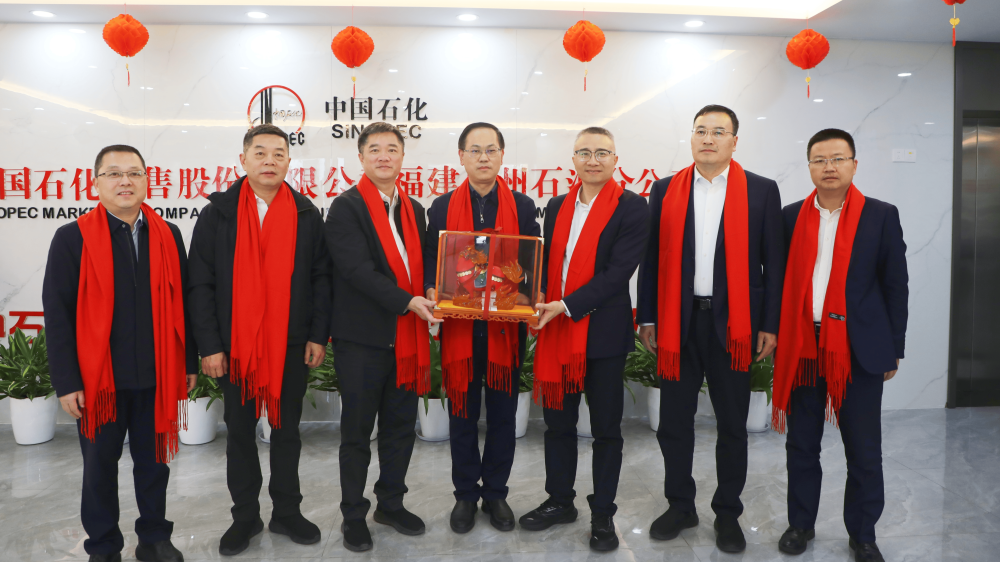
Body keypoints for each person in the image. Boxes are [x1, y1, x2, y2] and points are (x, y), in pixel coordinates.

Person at [636, 104, 784, 553]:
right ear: (691, 137)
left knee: (732, 426)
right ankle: (680, 505)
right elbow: (651, 257)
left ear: (734, 141)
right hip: (678, 324)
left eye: (719, 131)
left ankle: (727, 513)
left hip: (735, 327)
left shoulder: (760, 190)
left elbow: (774, 264)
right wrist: (647, 316)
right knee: (673, 423)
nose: (708, 138)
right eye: (701, 130)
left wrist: (769, 324)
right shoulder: (666, 189)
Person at [43, 144, 196, 562]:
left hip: (156, 374)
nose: (125, 181)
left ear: (147, 180)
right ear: (95, 183)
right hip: (98, 380)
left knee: (155, 464)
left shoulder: (167, 234)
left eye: (134, 173)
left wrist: (187, 363)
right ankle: (104, 545)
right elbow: (57, 314)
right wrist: (67, 381)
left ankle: (154, 538)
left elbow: (183, 304)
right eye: (113, 173)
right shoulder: (72, 238)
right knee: (98, 468)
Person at [187, 124, 332, 556]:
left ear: (289, 161)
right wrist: (210, 345)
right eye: (261, 152)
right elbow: (200, 284)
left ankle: (287, 512)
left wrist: (317, 334)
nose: (270, 161)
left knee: (287, 432)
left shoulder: (306, 213)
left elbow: (321, 279)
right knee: (240, 434)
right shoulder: (218, 214)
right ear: (243, 159)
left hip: (290, 345)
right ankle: (245, 517)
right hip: (236, 348)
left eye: (279, 153)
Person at [773, 129, 906, 562]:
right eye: (819, 160)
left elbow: (895, 285)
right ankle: (800, 524)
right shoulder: (790, 217)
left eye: (837, 158)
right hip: (803, 345)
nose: (828, 167)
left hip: (858, 348)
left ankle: (863, 534)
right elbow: (776, 282)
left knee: (864, 450)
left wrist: (894, 346)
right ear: (809, 166)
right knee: (801, 445)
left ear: (853, 164)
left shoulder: (880, 215)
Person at [519, 127, 649, 552]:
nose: (593, 160)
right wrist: (534, 296)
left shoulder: (633, 207)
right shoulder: (558, 205)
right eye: (584, 153)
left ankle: (603, 513)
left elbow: (618, 273)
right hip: (558, 333)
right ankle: (560, 501)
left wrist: (566, 304)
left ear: (615, 160)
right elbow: (547, 264)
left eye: (602, 153)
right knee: (558, 425)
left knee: (606, 430)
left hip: (604, 335)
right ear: (572, 159)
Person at [325, 120, 439, 552]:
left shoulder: (414, 209)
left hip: (406, 339)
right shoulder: (345, 208)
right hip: (362, 341)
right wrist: (408, 300)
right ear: (361, 157)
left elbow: (421, 263)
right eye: (374, 149)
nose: (384, 156)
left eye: (392, 148)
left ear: (403, 157)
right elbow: (357, 271)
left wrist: (430, 290)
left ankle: (391, 503)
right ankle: (353, 514)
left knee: (400, 428)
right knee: (357, 434)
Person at [423, 122, 540, 534]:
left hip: (506, 328)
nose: (483, 157)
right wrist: (433, 288)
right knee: (463, 416)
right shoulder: (441, 207)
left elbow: (533, 265)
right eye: (475, 150)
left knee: (504, 416)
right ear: (461, 157)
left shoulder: (523, 206)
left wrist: (530, 290)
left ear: (502, 155)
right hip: (461, 328)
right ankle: (465, 495)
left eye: (491, 150)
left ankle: (495, 493)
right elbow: (432, 260)